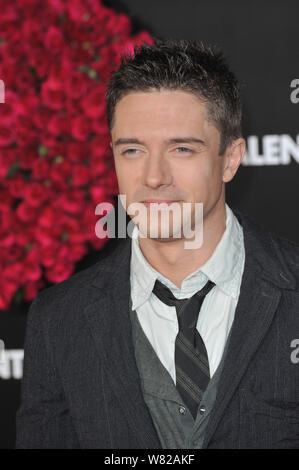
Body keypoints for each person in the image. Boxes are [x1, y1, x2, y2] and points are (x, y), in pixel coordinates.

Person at [16, 39, 299, 449]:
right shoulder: (59, 321)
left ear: (230, 159)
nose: (153, 177)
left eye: (182, 149)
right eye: (132, 150)